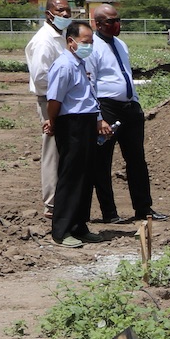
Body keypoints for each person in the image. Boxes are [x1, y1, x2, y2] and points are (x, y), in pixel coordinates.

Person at [87, 3, 165, 223]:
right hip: (107, 108)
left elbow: (126, 74)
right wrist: (98, 117)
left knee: (137, 160)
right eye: (111, 21)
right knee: (103, 162)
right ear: (98, 24)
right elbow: (90, 83)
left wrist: (136, 102)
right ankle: (109, 213)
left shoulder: (121, 44)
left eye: (117, 20)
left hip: (130, 108)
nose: (116, 24)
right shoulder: (92, 46)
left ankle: (144, 209)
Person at [43, 20, 114, 247]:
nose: (89, 46)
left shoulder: (80, 63)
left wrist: (96, 120)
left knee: (85, 177)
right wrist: (52, 122)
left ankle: (79, 225)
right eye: (85, 42)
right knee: (71, 177)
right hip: (71, 124)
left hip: (85, 122)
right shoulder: (63, 65)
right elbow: (54, 100)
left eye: (91, 42)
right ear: (71, 41)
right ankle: (61, 231)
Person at [24, 0, 73, 218]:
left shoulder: (61, 37)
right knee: (52, 150)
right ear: (49, 13)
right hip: (50, 101)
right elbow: (41, 77)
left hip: (63, 100)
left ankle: (62, 199)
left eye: (67, 11)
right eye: (60, 10)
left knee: (62, 150)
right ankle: (52, 204)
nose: (64, 15)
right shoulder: (44, 41)